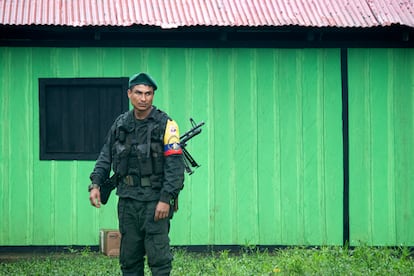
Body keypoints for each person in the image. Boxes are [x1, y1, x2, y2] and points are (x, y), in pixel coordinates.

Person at [88, 72, 185, 276]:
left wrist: (166, 199)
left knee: (159, 260)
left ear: (153, 95)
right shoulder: (120, 124)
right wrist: (95, 184)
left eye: (148, 94)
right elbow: (106, 155)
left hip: (155, 202)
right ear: (129, 94)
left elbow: (175, 168)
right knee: (129, 259)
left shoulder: (166, 124)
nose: (143, 98)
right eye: (139, 93)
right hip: (127, 201)